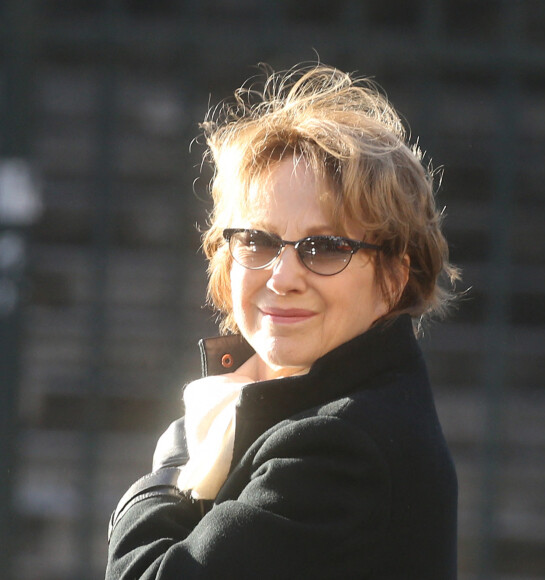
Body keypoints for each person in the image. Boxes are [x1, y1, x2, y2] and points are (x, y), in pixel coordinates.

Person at [106, 63, 460, 579]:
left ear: (393, 277)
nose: (283, 275)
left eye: (325, 247)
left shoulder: (341, 447)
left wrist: (176, 461)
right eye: (258, 240)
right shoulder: (346, 405)